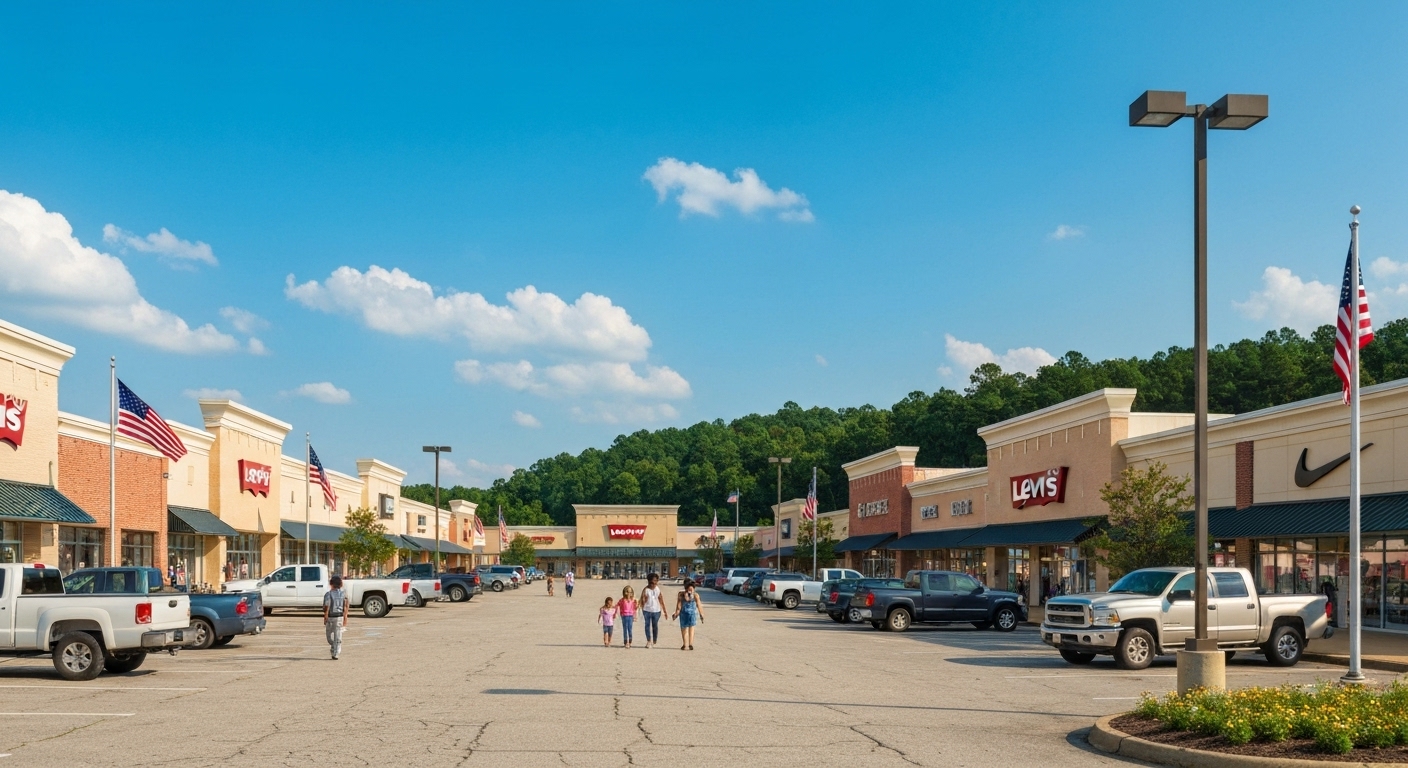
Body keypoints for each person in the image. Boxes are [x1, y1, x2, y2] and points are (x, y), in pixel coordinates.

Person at [671, 579, 703, 650]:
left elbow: (679, 606)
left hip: (683, 614)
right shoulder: (695, 595)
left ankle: (685, 644)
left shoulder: (681, 594)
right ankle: (690, 643)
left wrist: (676, 613)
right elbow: (699, 605)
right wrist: (701, 614)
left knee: (684, 630)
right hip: (692, 614)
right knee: (691, 629)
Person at [323, 575, 348, 660]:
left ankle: (336, 651)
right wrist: (345, 618)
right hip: (336, 617)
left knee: (332, 635)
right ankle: (335, 648)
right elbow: (345, 607)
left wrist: (325, 615)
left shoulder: (330, 594)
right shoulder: (341, 594)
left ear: (331, 584)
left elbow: (326, 606)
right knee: (334, 636)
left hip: (334, 617)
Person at [639, 573, 665, 649]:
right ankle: (648, 641)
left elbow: (661, 599)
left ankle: (654, 639)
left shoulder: (658, 589)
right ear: (649, 581)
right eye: (652, 582)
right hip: (647, 610)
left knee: (655, 625)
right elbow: (641, 601)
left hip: (656, 610)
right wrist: (644, 601)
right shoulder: (645, 590)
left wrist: (664, 611)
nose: (654, 584)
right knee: (647, 625)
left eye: (655, 581)